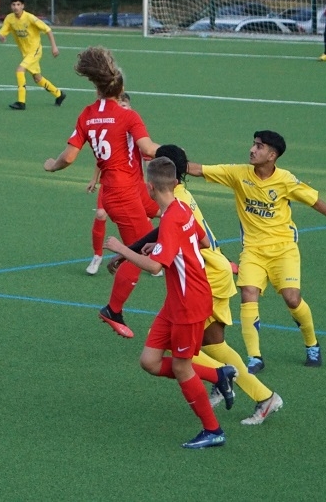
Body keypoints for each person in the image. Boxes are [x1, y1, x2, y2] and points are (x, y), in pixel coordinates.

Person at [108, 145, 284, 425]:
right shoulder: (181, 196)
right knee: (212, 345)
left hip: (204, 278)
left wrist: (125, 250)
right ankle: (250, 391)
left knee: (176, 347)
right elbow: (182, 234)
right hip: (213, 272)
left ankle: (237, 386)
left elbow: (167, 237)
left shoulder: (174, 201)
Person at [187, 131, 326, 373]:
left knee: (292, 298)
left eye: (259, 146)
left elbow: (313, 200)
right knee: (248, 293)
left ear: (272, 155)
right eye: (253, 144)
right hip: (253, 250)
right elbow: (199, 169)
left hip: (284, 249)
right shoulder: (238, 174)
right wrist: (167, 160)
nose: (252, 150)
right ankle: (254, 357)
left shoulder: (286, 180)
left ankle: (312, 344)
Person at [103, 157, 238, 449]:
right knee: (149, 362)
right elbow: (202, 241)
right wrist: (166, 245)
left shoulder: (171, 218)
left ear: (149, 187)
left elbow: (154, 267)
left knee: (181, 367)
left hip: (189, 304)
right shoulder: (182, 208)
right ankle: (219, 374)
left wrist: (122, 249)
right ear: (175, 183)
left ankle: (213, 430)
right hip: (177, 301)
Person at [44, 47, 159, 337]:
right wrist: (175, 153)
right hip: (125, 195)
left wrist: (51, 165)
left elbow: (69, 157)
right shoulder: (128, 116)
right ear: (120, 89)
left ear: (96, 87)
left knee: (173, 213)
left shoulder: (87, 114)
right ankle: (113, 310)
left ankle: (212, 257)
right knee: (148, 259)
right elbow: (148, 148)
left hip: (126, 191)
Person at [84, 92, 160, 275]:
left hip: (133, 186)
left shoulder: (135, 133)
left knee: (159, 214)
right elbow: (101, 158)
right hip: (110, 185)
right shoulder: (112, 128)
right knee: (101, 214)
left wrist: (148, 183)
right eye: (120, 106)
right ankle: (97, 256)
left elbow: (148, 154)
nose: (122, 109)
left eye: (125, 106)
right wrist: (94, 178)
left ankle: (152, 255)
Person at [0, 0, 65, 110]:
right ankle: (59, 94)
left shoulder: (30, 18)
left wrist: (54, 47)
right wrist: (1, 37)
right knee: (37, 78)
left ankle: (21, 102)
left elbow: (48, 30)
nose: (16, 7)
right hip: (25, 53)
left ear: (23, 6)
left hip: (35, 50)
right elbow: (2, 33)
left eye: (18, 4)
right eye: (13, 5)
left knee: (20, 70)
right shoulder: (9, 18)